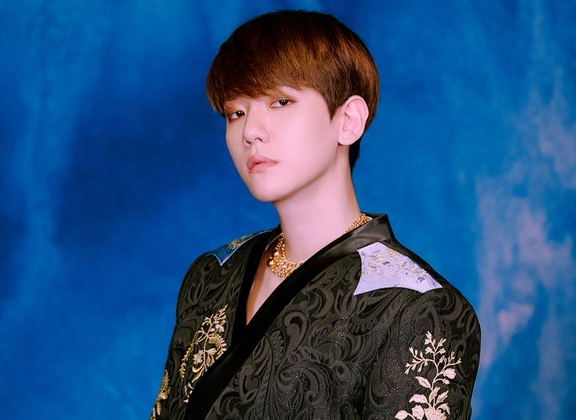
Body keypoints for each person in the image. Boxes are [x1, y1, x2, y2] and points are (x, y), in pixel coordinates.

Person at [151, 10, 480, 420]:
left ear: (348, 120)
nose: (251, 131)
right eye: (236, 113)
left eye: (280, 102)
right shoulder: (212, 274)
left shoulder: (419, 307)